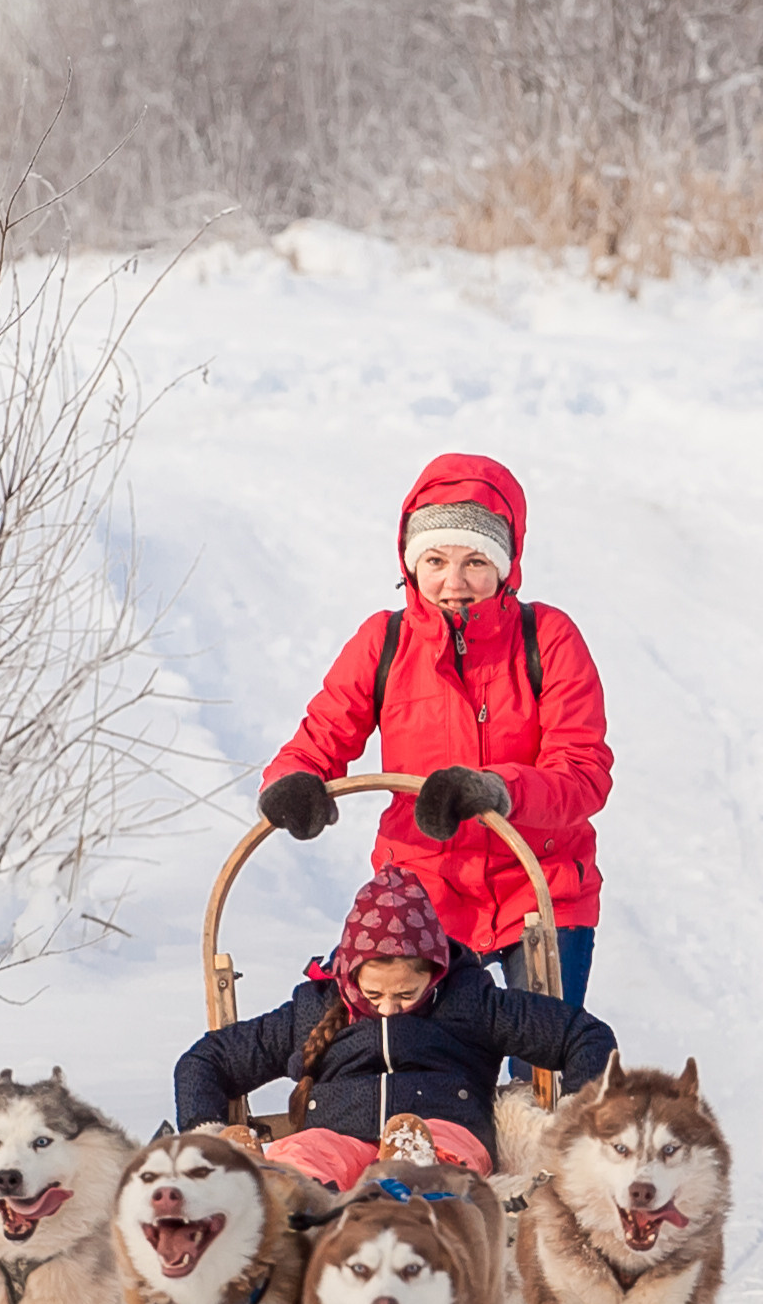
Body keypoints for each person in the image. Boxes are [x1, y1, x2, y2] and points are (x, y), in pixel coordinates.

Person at [254, 452, 612, 1008]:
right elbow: (320, 737)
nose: (454, 582)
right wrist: (295, 781)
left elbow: (584, 774)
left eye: (475, 562)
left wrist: (498, 791)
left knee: (543, 1066)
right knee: (420, 1068)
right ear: (410, 565)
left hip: (541, 890)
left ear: (505, 567)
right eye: (436, 560)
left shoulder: (549, 638)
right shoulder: (384, 643)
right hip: (423, 895)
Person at [175, 862, 615, 1190]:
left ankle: (414, 1188)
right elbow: (205, 1060)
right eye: (373, 996)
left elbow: (585, 1035)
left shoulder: (470, 1001)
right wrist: (206, 1132)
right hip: (337, 1136)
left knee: (423, 1146)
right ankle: (273, 1190)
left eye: (406, 995)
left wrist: (580, 1111)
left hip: (445, 1132)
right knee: (304, 1155)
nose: (388, 1009)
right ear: (349, 976)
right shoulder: (313, 1010)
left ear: (435, 971)